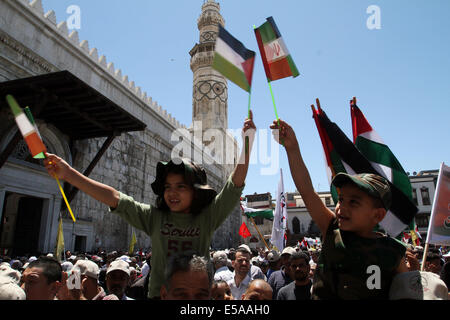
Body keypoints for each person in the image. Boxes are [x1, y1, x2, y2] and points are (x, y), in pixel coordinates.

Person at [44, 113, 255, 299]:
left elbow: (233, 185)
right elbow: (115, 198)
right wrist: (69, 174)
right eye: (168, 186)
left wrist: (247, 142)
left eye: (181, 186)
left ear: (196, 191)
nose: (172, 192)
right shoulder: (155, 218)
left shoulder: (207, 218)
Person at [270, 119, 408, 300]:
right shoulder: (332, 229)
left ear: (377, 215)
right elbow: (306, 190)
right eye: (341, 199)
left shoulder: (393, 252)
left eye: (354, 202)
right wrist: (292, 148)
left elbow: (406, 290)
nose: (342, 207)